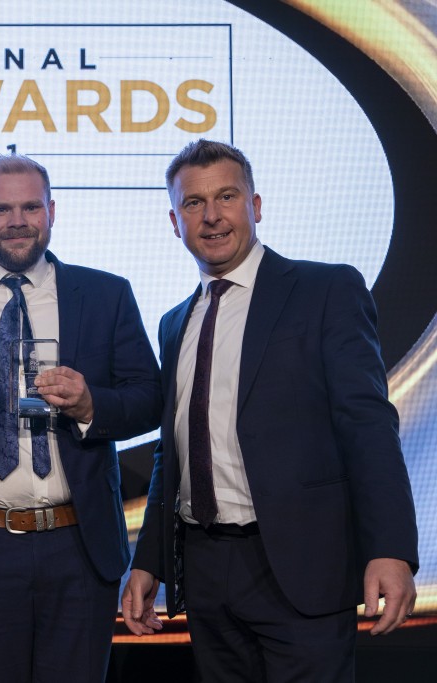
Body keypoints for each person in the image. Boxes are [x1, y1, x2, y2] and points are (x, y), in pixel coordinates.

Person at [123, 139, 418, 681]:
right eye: (193, 203)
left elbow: (369, 427)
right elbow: (176, 450)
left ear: (255, 206)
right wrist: (149, 561)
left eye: (227, 197)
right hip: (207, 573)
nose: (212, 216)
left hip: (302, 567)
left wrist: (391, 549)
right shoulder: (174, 323)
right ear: (174, 220)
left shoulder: (325, 289)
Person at [0, 154, 162, 682]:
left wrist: (92, 404)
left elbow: (150, 396)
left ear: (52, 211)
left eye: (30, 206)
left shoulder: (104, 293)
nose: (17, 219)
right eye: (1, 208)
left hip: (76, 544)